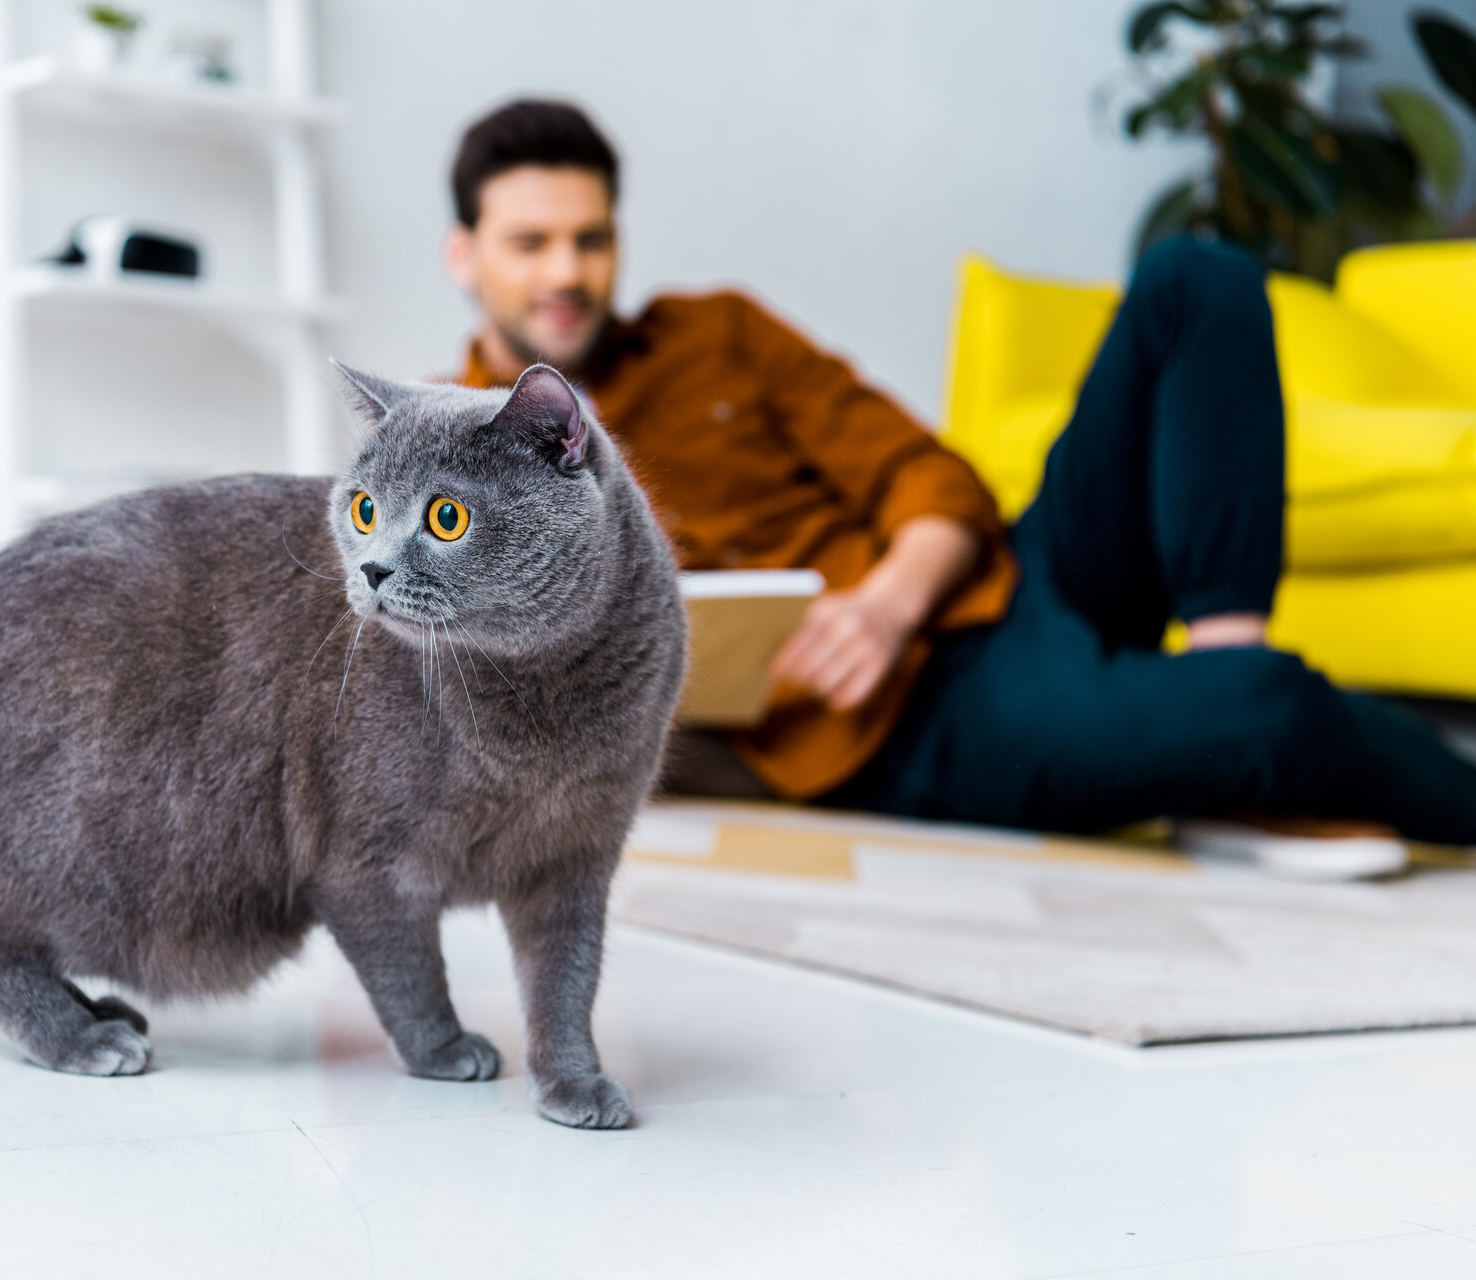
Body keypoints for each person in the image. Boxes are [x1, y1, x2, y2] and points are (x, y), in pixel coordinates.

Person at [441, 98, 1476, 877]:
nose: (566, 271)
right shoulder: (451, 460)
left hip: (995, 580)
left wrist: (892, 598)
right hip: (913, 723)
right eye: (529, 244)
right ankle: (1239, 716)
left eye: (590, 237)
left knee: (1192, 275)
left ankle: (1224, 661)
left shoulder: (718, 331)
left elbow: (929, 472)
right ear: (464, 255)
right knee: (1275, 711)